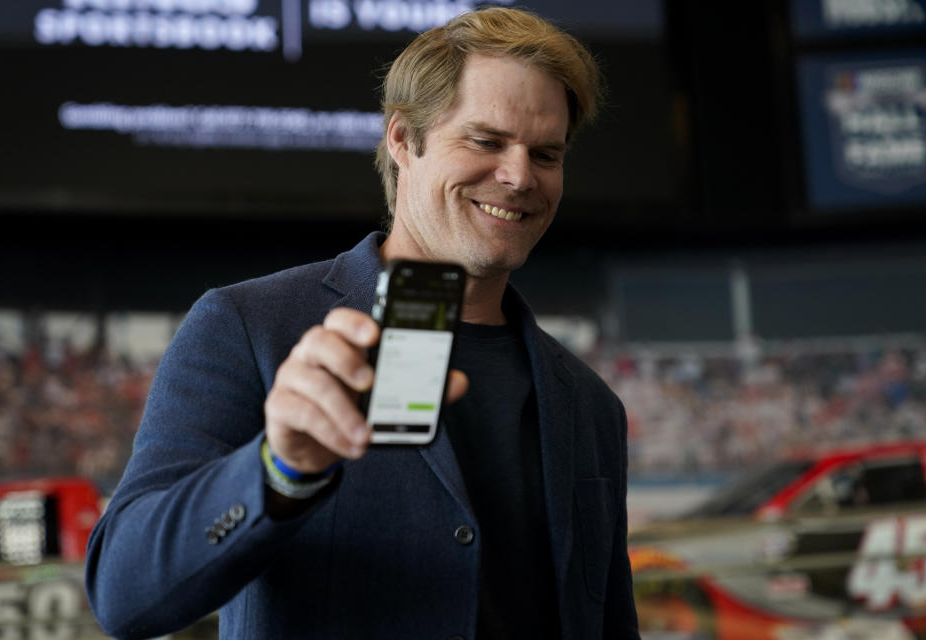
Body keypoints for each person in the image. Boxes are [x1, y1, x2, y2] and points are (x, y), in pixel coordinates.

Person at [85, 7, 639, 639]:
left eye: (545, 153)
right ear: (403, 140)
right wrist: (279, 471)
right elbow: (122, 591)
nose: (518, 176)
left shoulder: (591, 406)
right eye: (486, 142)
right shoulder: (249, 326)